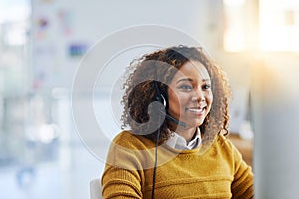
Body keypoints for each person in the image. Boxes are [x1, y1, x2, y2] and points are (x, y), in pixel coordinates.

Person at [101, 45, 254, 199]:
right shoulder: (130, 147)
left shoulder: (220, 146)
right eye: (186, 87)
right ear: (159, 98)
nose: (200, 96)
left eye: (205, 86)